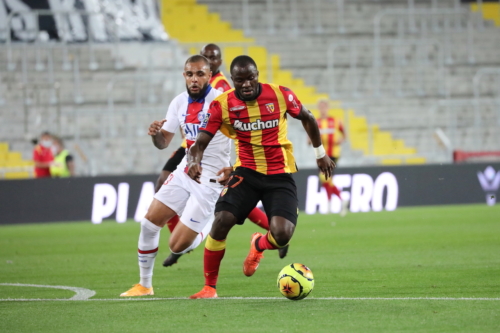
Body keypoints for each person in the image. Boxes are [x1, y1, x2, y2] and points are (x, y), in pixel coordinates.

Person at [187, 55, 335, 299]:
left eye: (250, 78)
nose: (246, 84)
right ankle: (209, 288)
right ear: (232, 79)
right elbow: (200, 142)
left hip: (280, 174)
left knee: (282, 234)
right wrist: (194, 161)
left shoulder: (280, 95)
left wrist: (320, 154)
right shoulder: (222, 105)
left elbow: (308, 118)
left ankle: (258, 245)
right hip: (246, 172)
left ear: (257, 75)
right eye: (239, 80)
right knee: (222, 220)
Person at [120, 55, 231, 297]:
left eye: (200, 74)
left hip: (210, 178)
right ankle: (145, 285)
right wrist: (155, 134)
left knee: (176, 245)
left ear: (210, 75)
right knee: (149, 223)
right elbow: (164, 143)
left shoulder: (221, 103)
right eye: (190, 74)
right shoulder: (178, 103)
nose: (194, 79)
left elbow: (241, 137)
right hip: (185, 170)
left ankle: (208, 223)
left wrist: (236, 166)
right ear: (184, 76)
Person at [159, 43, 278, 268]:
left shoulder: (223, 85)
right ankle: (182, 239)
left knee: (231, 198)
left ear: (218, 63)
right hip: (192, 144)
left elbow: (233, 120)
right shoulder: (199, 80)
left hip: (212, 148)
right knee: (165, 181)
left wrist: (235, 158)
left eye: (213, 58)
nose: (209, 60)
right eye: (206, 57)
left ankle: (186, 240)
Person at [312, 99, 348, 216]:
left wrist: (340, 140)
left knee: (324, 177)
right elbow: (311, 136)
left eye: (324, 107)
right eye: (320, 107)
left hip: (333, 154)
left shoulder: (336, 121)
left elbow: (344, 134)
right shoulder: (316, 122)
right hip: (320, 154)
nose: (322, 109)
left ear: (327, 108)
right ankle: (336, 202)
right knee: (326, 179)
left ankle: (336, 201)